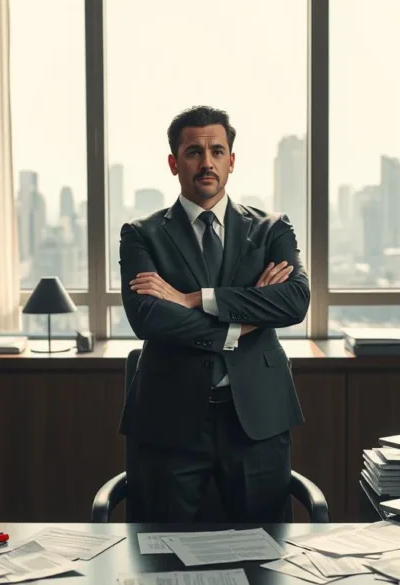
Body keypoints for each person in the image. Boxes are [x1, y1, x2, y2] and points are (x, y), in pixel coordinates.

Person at [118, 105, 310, 523]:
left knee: (266, 556)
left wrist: (192, 299)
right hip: (169, 422)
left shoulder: (272, 228)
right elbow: (147, 317)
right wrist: (243, 321)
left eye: (217, 151)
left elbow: (295, 301)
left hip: (256, 421)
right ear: (174, 162)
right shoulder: (140, 234)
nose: (207, 163)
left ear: (232, 161)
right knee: (161, 557)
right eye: (193, 152)